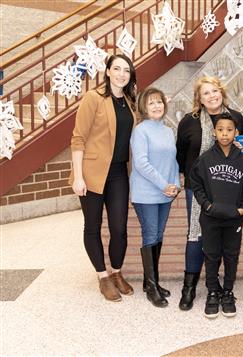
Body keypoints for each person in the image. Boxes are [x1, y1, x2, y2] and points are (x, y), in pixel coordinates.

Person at [175, 76, 243, 311]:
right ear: (199, 98)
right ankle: (190, 287)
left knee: (224, 240)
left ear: (222, 92)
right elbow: (180, 154)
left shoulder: (236, 119)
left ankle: (222, 288)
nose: (211, 96)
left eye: (214, 91)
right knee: (195, 235)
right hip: (198, 191)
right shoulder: (189, 121)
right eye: (205, 93)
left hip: (228, 188)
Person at [69, 54, 137, 302]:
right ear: (107, 71)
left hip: (119, 172)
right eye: (116, 69)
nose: (121, 74)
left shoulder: (129, 101)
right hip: (91, 172)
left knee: (119, 228)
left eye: (126, 70)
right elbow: (78, 138)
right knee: (93, 226)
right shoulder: (93, 98)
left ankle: (116, 272)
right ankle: (102, 276)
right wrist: (78, 177)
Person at [189, 112, 243, 319]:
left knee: (231, 255)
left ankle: (227, 291)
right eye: (220, 130)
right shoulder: (205, 158)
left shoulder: (242, 160)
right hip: (210, 217)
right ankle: (213, 291)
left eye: (229, 130)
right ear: (214, 132)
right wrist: (206, 205)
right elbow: (195, 184)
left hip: (234, 218)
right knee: (211, 254)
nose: (225, 134)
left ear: (236, 133)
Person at [130, 87, 180, 308]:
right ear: (144, 107)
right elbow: (141, 163)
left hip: (166, 192)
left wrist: (175, 185)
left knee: (158, 235)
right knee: (150, 235)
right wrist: (163, 185)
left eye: (159, 102)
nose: (157, 106)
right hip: (146, 192)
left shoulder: (168, 131)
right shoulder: (140, 130)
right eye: (151, 103)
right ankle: (152, 287)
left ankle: (150, 282)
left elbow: (173, 161)